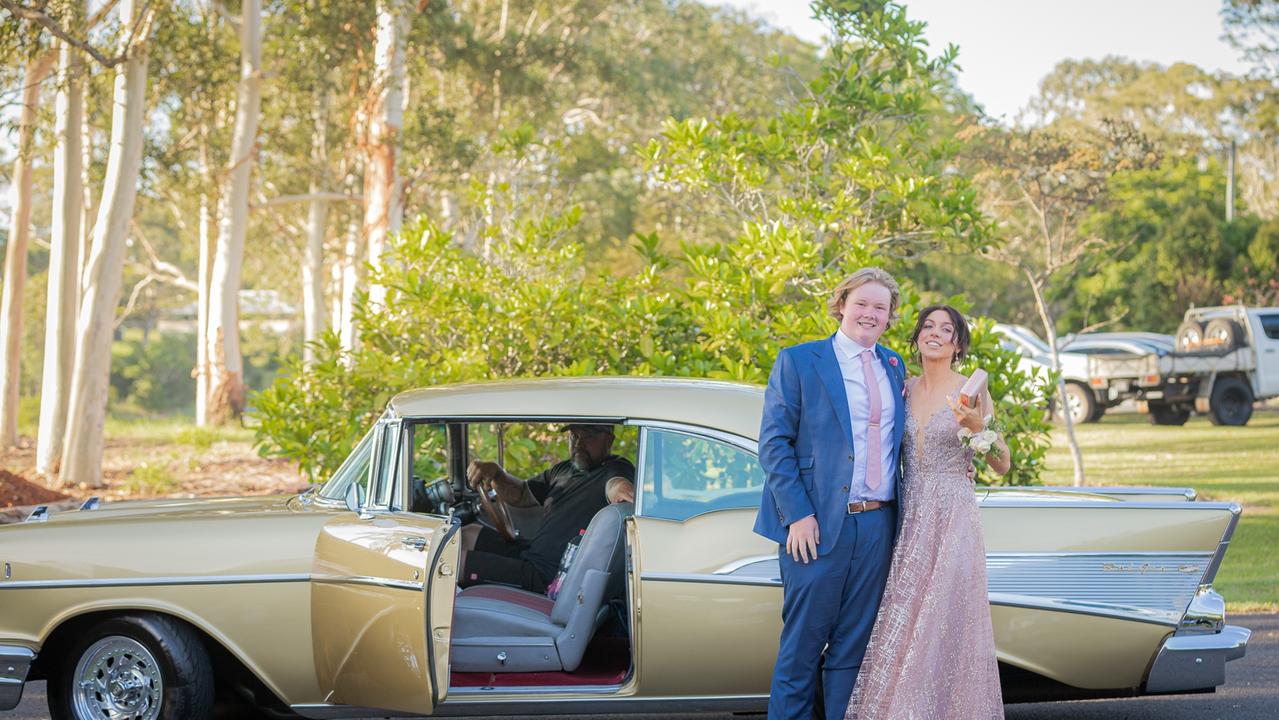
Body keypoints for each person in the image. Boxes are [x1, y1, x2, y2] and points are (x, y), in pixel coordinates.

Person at [755, 267, 908, 720]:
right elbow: (774, 443)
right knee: (801, 647)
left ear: (889, 317)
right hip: (816, 524)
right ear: (841, 304)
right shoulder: (800, 361)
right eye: (861, 303)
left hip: (878, 524)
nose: (870, 313)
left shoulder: (893, 365)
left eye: (880, 307)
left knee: (854, 651)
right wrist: (798, 515)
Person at [845, 304, 1010, 720]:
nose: (935, 333)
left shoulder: (970, 389)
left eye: (947, 329)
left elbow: (1001, 463)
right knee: (903, 617)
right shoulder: (902, 386)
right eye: (928, 326)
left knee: (944, 620)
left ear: (957, 345)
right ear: (917, 337)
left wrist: (975, 425)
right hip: (909, 515)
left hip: (953, 517)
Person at [461, 423, 635, 594]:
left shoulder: (616, 467)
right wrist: (497, 474)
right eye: (574, 435)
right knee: (468, 533)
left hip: (548, 577)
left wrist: (621, 492)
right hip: (531, 555)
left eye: (588, 436)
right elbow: (522, 494)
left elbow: (617, 484)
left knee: (450, 564)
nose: (578, 443)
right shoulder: (564, 469)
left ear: (609, 440)